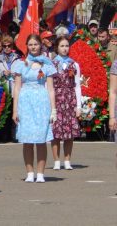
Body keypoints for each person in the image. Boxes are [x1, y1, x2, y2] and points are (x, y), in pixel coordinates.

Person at [12, 34, 57, 183]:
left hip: (41, 101)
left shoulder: (47, 65)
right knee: (27, 139)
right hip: (25, 101)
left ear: (40, 45)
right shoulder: (21, 64)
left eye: (35, 44)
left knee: (41, 139)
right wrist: (15, 110)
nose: (33, 47)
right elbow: (17, 88)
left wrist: (53, 109)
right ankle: (30, 172)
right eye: (30, 44)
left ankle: (41, 173)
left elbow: (50, 89)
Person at [51, 36, 82, 170]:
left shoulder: (74, 64)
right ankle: (56, 160)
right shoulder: (51, 64)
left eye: (67, 46)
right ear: (57, 48)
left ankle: (67, 160)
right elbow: (49, 85)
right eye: (62, 46)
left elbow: (77, 85)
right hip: (57, 99)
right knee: (56, 132)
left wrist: (79, 106)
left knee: (70, 132)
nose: (65, 48)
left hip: (70, 100)